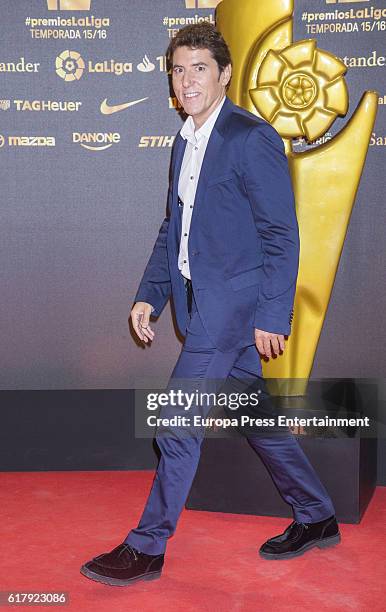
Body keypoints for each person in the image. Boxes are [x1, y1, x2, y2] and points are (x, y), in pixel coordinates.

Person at [80, 23, 340, 587]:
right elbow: (174, 227)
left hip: (231, 310)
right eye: (178, 69)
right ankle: (317, 515)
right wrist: (149, 294)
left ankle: (147, 548)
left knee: (175, 423)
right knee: (256, 417)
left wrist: (274, 315)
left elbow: (282, 234)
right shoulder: (184, 139)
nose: (187, 78)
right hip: (198, 304)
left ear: (224, 74)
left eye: (199, 67)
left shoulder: (251, 137)